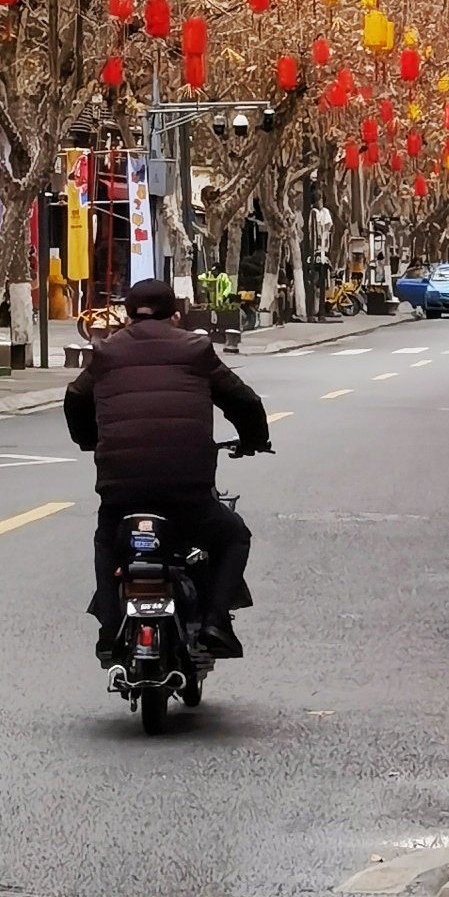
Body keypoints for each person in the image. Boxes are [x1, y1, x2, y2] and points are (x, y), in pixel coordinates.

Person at [64, 274, 271, 664]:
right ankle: (215, 624)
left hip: (120, 489)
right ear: (175, 314)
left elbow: (76, 396)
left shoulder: (107, 352)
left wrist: (88, 439)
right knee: (233, 537)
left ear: (128, 315)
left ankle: (109, 632)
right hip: (187, 489)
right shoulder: (196, 348)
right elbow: (242, 400)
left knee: (109, 543)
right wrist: (254, 439)